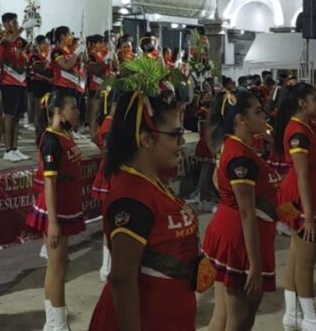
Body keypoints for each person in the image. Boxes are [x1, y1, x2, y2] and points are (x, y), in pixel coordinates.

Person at [89, 88, 199, 331]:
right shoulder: (131, 195)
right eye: (175, 135)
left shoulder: (154, 182)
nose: (181, 143)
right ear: (146, 139)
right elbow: (122, 278)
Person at [202, 90, 278, 330]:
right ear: (240, 120)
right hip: (239, 241)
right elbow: (247, 213)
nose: (263, 116)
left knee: (222, 318)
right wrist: (254, 265)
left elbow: (217, 180)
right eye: (257, 111)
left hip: (228, 230)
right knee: (240, 321)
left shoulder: (231, 146)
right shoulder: (240, 156)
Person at [27, 91, 84, 330]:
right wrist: (52, 222)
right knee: (56, 267)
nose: (77, 112)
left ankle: (54, 319)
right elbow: (49, 182)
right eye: (73, 108)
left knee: (60, 265)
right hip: (56, 211)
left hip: (66, 207)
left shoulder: (65, 135)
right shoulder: (51, 140)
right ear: (59, 112)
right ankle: (57, 323)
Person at [275, 83, 316, 331]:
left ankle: (292, 315)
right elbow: (302, 175)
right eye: (315, 99)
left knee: (297, 256)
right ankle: (309, 319)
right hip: (297, 199)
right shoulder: (298, 131)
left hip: (296, 196)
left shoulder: (306, 127)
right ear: (301, 103)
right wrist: (308, 216)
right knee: (307, 259)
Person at [0, 13, 31, 162]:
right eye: (13, 22)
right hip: (8, 82)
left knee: (17, 116)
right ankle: (7, 149)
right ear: (5, 24)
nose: (16, 24)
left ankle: (15, 148)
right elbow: (9, 40)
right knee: (9, 116)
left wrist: (26, 56)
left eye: (17, 22)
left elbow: (25, 59)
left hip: (21, 81)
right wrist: (23, 27)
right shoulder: (2, 36)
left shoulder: (20, 41)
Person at [90, 92, 115, 282]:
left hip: (116, 170)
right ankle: (106, 263)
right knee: (109, 220)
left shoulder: (114, 120)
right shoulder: (110, 121)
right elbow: (100, 140)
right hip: (110, 173)